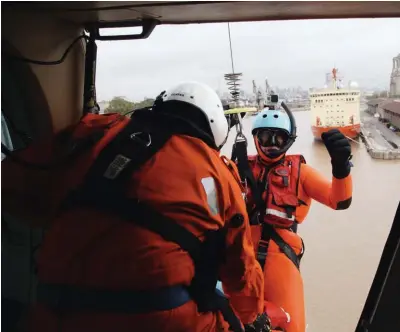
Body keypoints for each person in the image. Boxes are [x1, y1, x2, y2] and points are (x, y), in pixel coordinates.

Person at [28, 82, 270, 332]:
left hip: (51, 311)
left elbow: (18, 186)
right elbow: (241, 270)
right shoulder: (218, 173)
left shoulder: (95, 132)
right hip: (158, 319)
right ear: (215, 128)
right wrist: (251, 316)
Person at [241, 106, 354, 332]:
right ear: (255, 139)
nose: (271, 143)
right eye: (265, 137)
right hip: (241, 255)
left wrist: (341, 167)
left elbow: (339, 201)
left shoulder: (301, 172)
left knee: (291, 323)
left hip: (281, 257)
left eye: (278, 138)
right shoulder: (239, 167)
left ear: (289, 140)